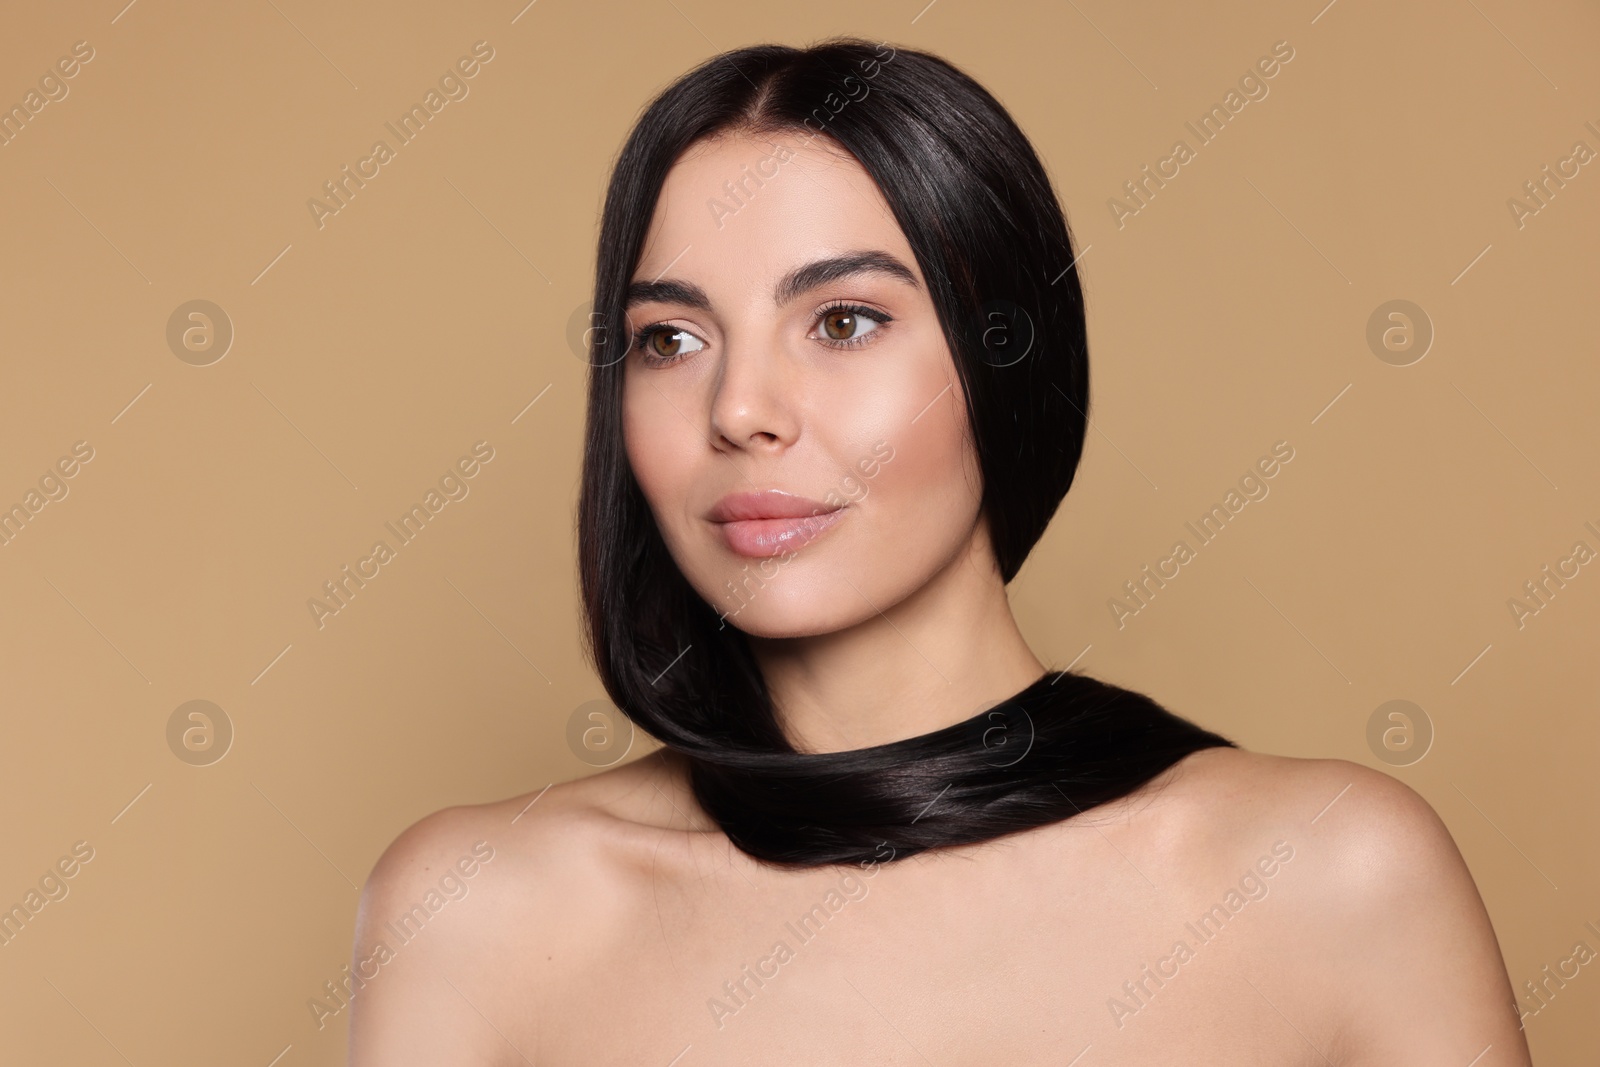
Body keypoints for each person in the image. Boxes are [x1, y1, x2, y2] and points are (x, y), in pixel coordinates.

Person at [348, 37, 1532, 1065]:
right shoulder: (477, 914)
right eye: (670, 337)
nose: (741, 408)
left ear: (1001, 360)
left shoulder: (1329, 878)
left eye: (844, 320)